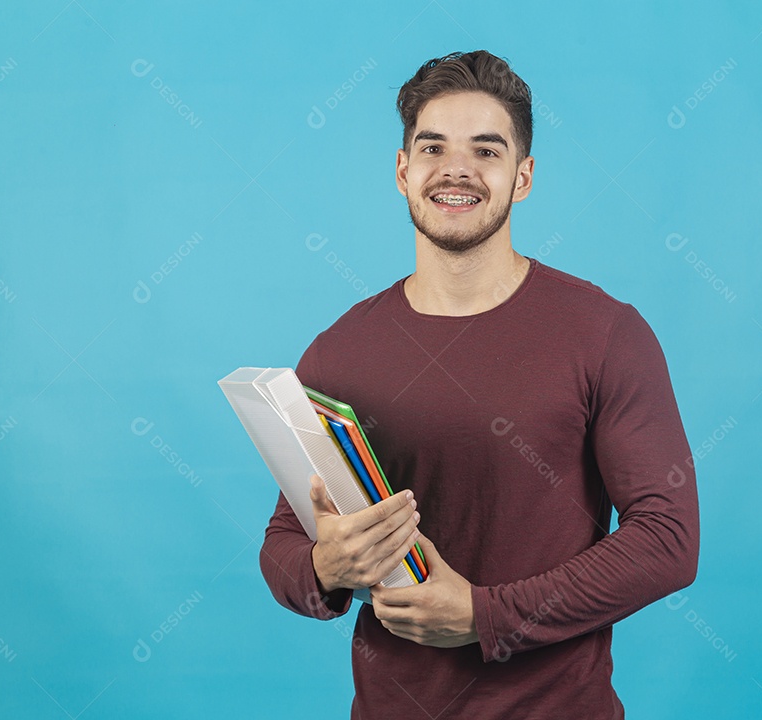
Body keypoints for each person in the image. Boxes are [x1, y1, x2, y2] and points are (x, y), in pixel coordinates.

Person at [259, 50, 699, 719]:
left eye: (486, 151)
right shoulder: (338, 350)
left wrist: (485, 615)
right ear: (403, 171)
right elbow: (284, 544)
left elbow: (668, 539)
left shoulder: (605, 333)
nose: (456, 169)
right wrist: (328, 568)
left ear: (523, 177)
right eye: (432, 147)